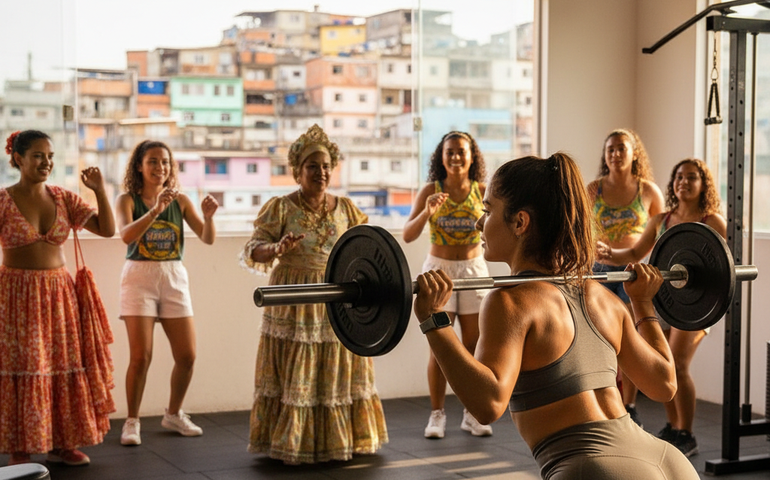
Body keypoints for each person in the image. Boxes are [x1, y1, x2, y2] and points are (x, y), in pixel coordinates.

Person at [413, 153, 699, 479]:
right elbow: (664, 384)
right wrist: (643, 303)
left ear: (520, 222)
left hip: (593, 468)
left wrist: (434, 321)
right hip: (667, 460)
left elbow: (488, 404)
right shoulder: (601, 297)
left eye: (488, 210)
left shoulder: (509, 302)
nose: (479, 223)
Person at [239, 124, 388, 464]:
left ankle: (338, 441)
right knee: (297, 368)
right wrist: (276, 247)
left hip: (337, 295)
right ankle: (294, 442)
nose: (320, 172)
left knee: (336, 366)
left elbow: (363, 248)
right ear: (297, 171)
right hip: (294, 297)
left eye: (325, 166)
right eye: (312, 166)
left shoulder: (347, 209)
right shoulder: (280, 208)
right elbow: (253, 249)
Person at [596, 158, 726, 457]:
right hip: (665, 301)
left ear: (703, 184)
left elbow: (721, 265)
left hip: (696, 304)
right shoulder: (661, 221)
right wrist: (609, 253)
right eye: (679, 177)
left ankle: (687, 433)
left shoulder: (712, 222)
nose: (684, 182)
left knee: (679, 364)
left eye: (691, 177)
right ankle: (672, 426)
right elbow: (634, 252)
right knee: (663, 362)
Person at [0, 130, 115, 466]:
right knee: (24, 368)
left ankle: (63, 443)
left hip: (59, 294)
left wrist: (99, 191)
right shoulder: (3, 201)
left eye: (49, 156)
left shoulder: (64, 198)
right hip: (16, 295)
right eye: (37, 155)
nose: (46, 162)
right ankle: (19, 447)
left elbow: (107, 230)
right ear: (18, 158)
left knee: (63, 367)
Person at [116, 140, 218, 446]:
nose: (160, 167)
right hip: (138, 276)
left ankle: (173, 413)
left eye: (165, 162)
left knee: (187, 355)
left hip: (174, 275)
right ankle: (132, 422)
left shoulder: (181, 200)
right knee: (140, 357)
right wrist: (156, 210)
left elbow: (207, 238)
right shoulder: (127, 199)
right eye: (152, 161)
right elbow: (125, 235)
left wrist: (210, 216)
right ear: (139, 166)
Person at [403, 131, 492, 438]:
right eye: (449, 152)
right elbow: (408, 234)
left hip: (473, 269)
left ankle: (471, 413)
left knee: (473, 346)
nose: (455, 157)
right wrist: (428, 211)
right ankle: (437, 414)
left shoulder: (482, 191)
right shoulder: (431, 189)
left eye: (461, 152)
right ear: (441, 157)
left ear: (472, 156)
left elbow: (498, 228)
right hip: (439, 271)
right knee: (440, 345)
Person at [587, 128, 665, 426]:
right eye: (610, 149)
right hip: (598, 272)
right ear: (604, 155)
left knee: (632, 340)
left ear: (634, 154)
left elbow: (661, 232)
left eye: (621, 148)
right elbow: (577, 224)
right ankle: (601, 402)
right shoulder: (594, 189)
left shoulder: (648, 191)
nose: (615, 154)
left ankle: (629, 406)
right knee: (601, 339)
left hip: (634, 272)